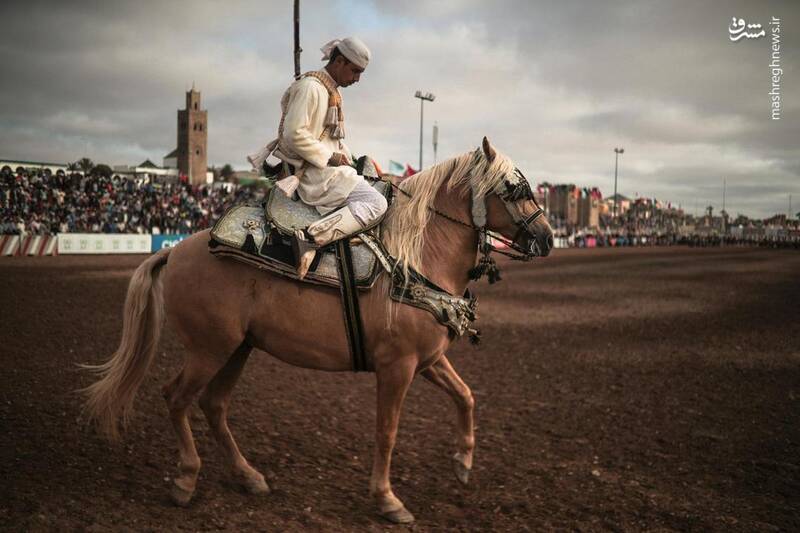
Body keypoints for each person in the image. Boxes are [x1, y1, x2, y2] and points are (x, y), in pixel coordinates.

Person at [248, 36, 387, 279]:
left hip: (328, 169)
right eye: (355, 71)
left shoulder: (329, 90)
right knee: (377, 203)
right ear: (340, 61)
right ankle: (311, 239)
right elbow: (293, 134)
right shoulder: (311, 87)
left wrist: (351, 158)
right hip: (315, 174)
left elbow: (328, 139)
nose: (357, 79)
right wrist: (331, 157)